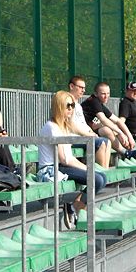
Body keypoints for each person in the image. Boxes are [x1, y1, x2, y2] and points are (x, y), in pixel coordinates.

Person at [39, 91, 107, 230]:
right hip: (51, 169)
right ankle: (76, 208)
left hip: (61, 166)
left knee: (102, 177)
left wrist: (92, 134)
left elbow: (82, 130)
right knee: (97, 179)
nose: (71, 109)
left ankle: (76, 208)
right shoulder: (52, 127)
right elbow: (65, 159)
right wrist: (87, 168)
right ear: (59, 107)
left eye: (72, 105)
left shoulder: (65, 125)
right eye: (68, 106)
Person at [80, 82, 136, 160]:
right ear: (96, 94)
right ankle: (127, 153)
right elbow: (103, 119)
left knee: (113, 127)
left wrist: (129, 136)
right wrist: (120, 132)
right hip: (82, 133)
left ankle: (132, 151)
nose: (106, 96)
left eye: (108, 93)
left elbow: (118, 121)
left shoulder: (99, 103)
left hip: (92, 131)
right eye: (103, 94)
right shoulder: (94, 101)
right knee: (106, 129)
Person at [67, 75, 110, 168]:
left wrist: (90, 131)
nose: (83, 90)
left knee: (107, 142)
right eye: (81, 87)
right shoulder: (66, 102)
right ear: (71, 86)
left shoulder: (78, 105)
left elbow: (83, 124)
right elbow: (71, 125)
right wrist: (88, 134)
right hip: (70, 138)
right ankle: (99, 176)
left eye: (84, 88)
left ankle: (105, 173)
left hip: (82, 137)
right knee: (101, 142)